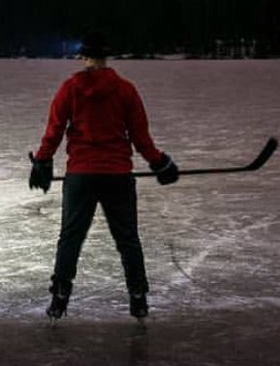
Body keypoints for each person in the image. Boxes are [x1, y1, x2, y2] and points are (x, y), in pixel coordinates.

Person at [28, 32, 179, 320]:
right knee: (127, 239)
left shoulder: (70, 88)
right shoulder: (125, 89)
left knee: (70, 238)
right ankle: (138, 298)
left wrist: (43, 161)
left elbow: (54, 130)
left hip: (81, 176)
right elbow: (140, 137)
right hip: (117, 176)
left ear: (84, 57)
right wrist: (159, 162)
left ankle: (59, 297)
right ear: (106, 57)